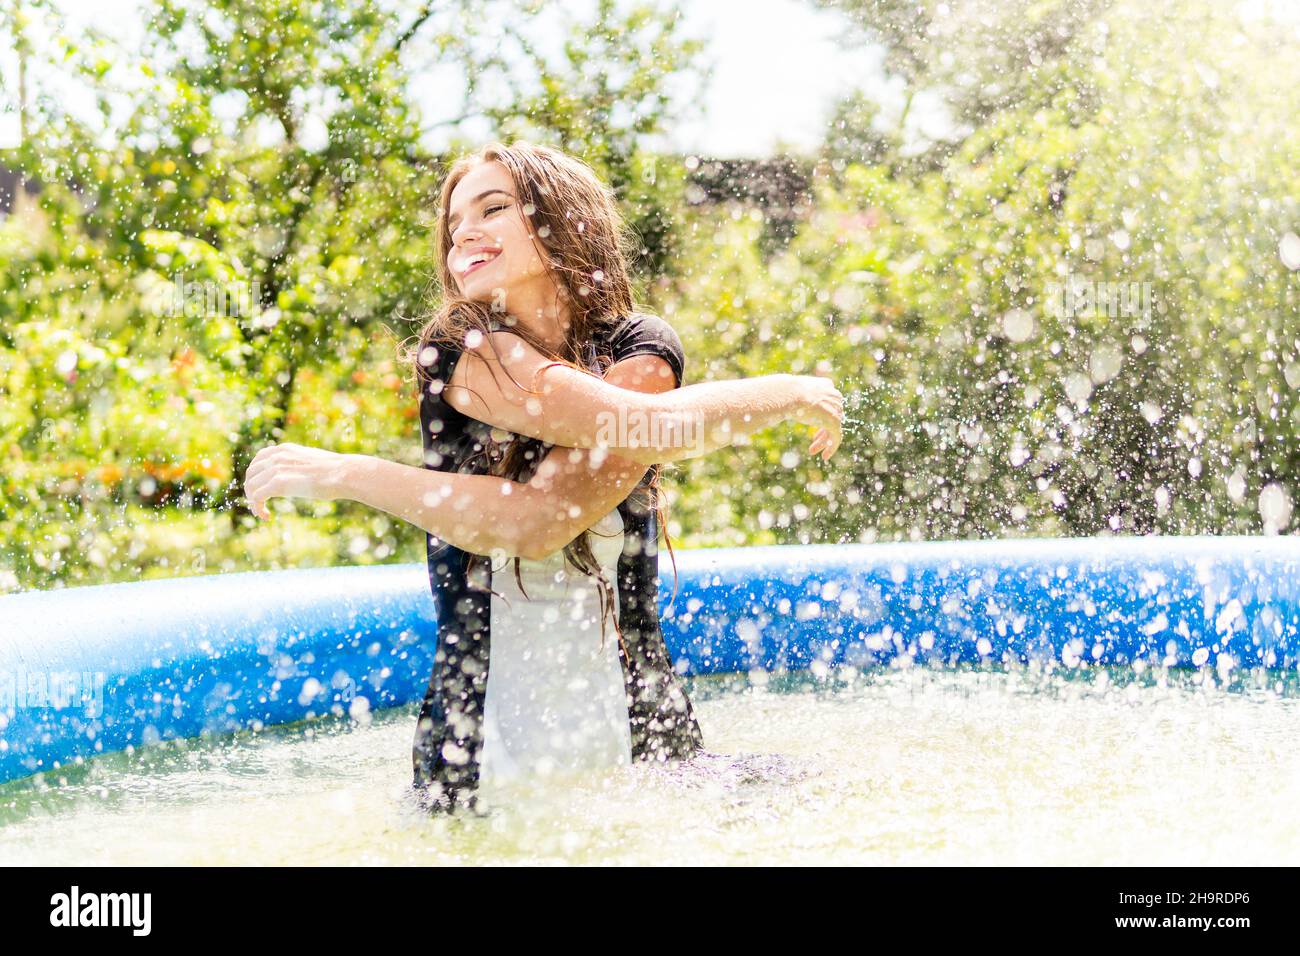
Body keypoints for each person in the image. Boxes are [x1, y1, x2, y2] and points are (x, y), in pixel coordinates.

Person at [243, 142, 844, 813]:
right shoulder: (460, 349)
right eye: (454, 222)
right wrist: (349, 474)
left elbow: (622, 449)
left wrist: (789, 390)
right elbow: (540, 509)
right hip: (472, 754)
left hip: (642, 740)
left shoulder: (638, 347)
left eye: (493, 207)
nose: (463, 231)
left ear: (563, 221)